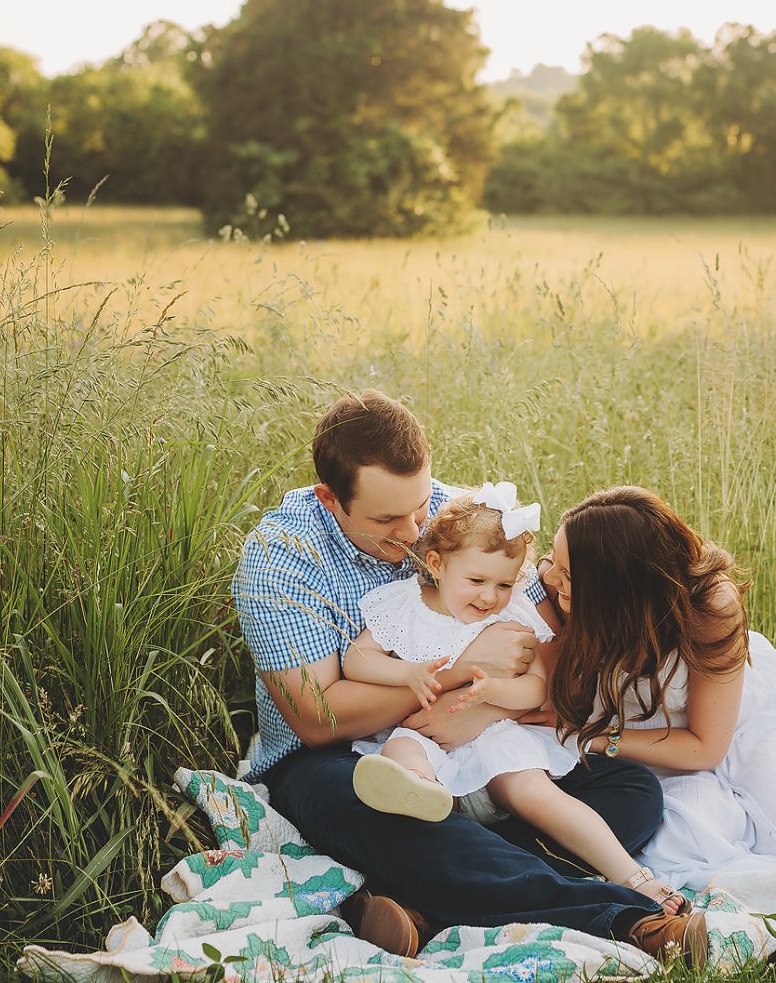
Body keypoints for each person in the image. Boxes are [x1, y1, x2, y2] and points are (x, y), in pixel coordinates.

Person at [230, 393, 708, 963]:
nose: (413, 532)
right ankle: (630, 920)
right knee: (380, 802)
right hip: (338, 757)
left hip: (478, 735)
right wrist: (459, 673)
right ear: (331, 498)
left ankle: (410, 898)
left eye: (418, 505)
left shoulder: (461, 517)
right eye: (386, 519)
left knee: (631, 792)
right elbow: (317, 717)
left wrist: (483, 708)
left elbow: (544, 636)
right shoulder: (281, 557)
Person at [527, 485, 776, 891]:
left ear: (619, 590)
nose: (552, 577)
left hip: (740, 722)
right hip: (644, 734)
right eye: (554, 561)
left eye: (568, 574)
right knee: (679, 841)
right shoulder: (554, 594)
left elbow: (705, 747)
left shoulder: (710, 607)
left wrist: (591, 738)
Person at [344, 485, 691, 916]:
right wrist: (406, 674)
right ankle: (430, 800)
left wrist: (494, 696)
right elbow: (356, 659)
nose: (489, 597)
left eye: (504, 584)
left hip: (495, 739)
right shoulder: (406, 607)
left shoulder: (513, 616)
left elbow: (537, 687)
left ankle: (636, 879)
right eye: (476, 581)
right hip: (428, 742)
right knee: (400, 754)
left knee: (537, 794)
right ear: (437, 564)